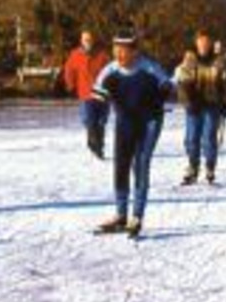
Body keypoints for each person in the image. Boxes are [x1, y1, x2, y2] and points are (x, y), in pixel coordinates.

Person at [91, 30, 174, 238]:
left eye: (124, 50)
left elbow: (168, 86)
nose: (119, 55)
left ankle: (136, 215)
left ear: (135, 51)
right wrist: (94, 126)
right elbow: (96, 102)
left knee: (141, 164)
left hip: (149, 122)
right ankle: (121, 215)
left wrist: (157, 99)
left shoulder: (149, 68)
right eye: (115, 50)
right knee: (121, 165)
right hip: (125, 122)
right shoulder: (109, 73)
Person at [174, 30, 226, 186]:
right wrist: (188, 102)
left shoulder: (219, 62)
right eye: (201, 42)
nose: (204, 45)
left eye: (207, 42)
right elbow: (182, 84)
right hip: (194, 106)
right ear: (196, 43)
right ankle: (193, 167)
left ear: (211, 44)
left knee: (209, 138)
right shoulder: (189, 60)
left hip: (212, 105)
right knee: (191, 139)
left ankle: (210, 167)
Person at [61, 30, 110, 162]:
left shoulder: (101, 55)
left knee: (101, 121)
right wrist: (70, 84)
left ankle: (99, 147)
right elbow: (69, 69)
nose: (87, 41)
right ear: (81, 41)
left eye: (89, 39)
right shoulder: (75, 55)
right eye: (85, 39)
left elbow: (111, 70)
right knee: (89, 120)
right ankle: (93, 144)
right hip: (86, 92)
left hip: (102, 92)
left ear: (93, 40)